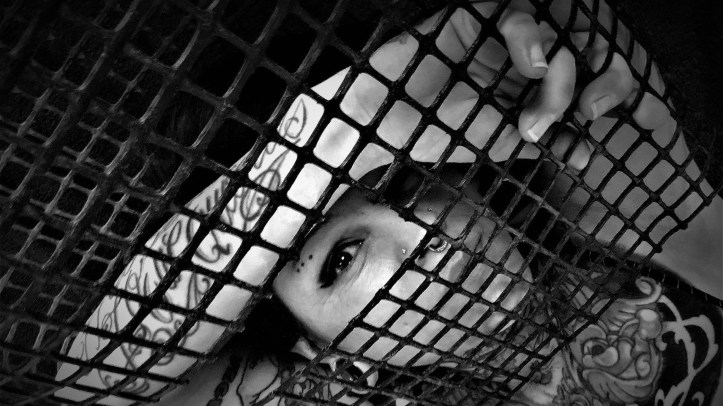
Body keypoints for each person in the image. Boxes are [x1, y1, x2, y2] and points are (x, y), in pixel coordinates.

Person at [53, 1, 722, 405]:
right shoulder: (329, 392)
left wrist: (679, 218)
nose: (427, 236)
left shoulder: (602, 224)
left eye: (404, 180)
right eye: (341, 259)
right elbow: (89, 391)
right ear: (316, 343)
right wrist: (335, 132)